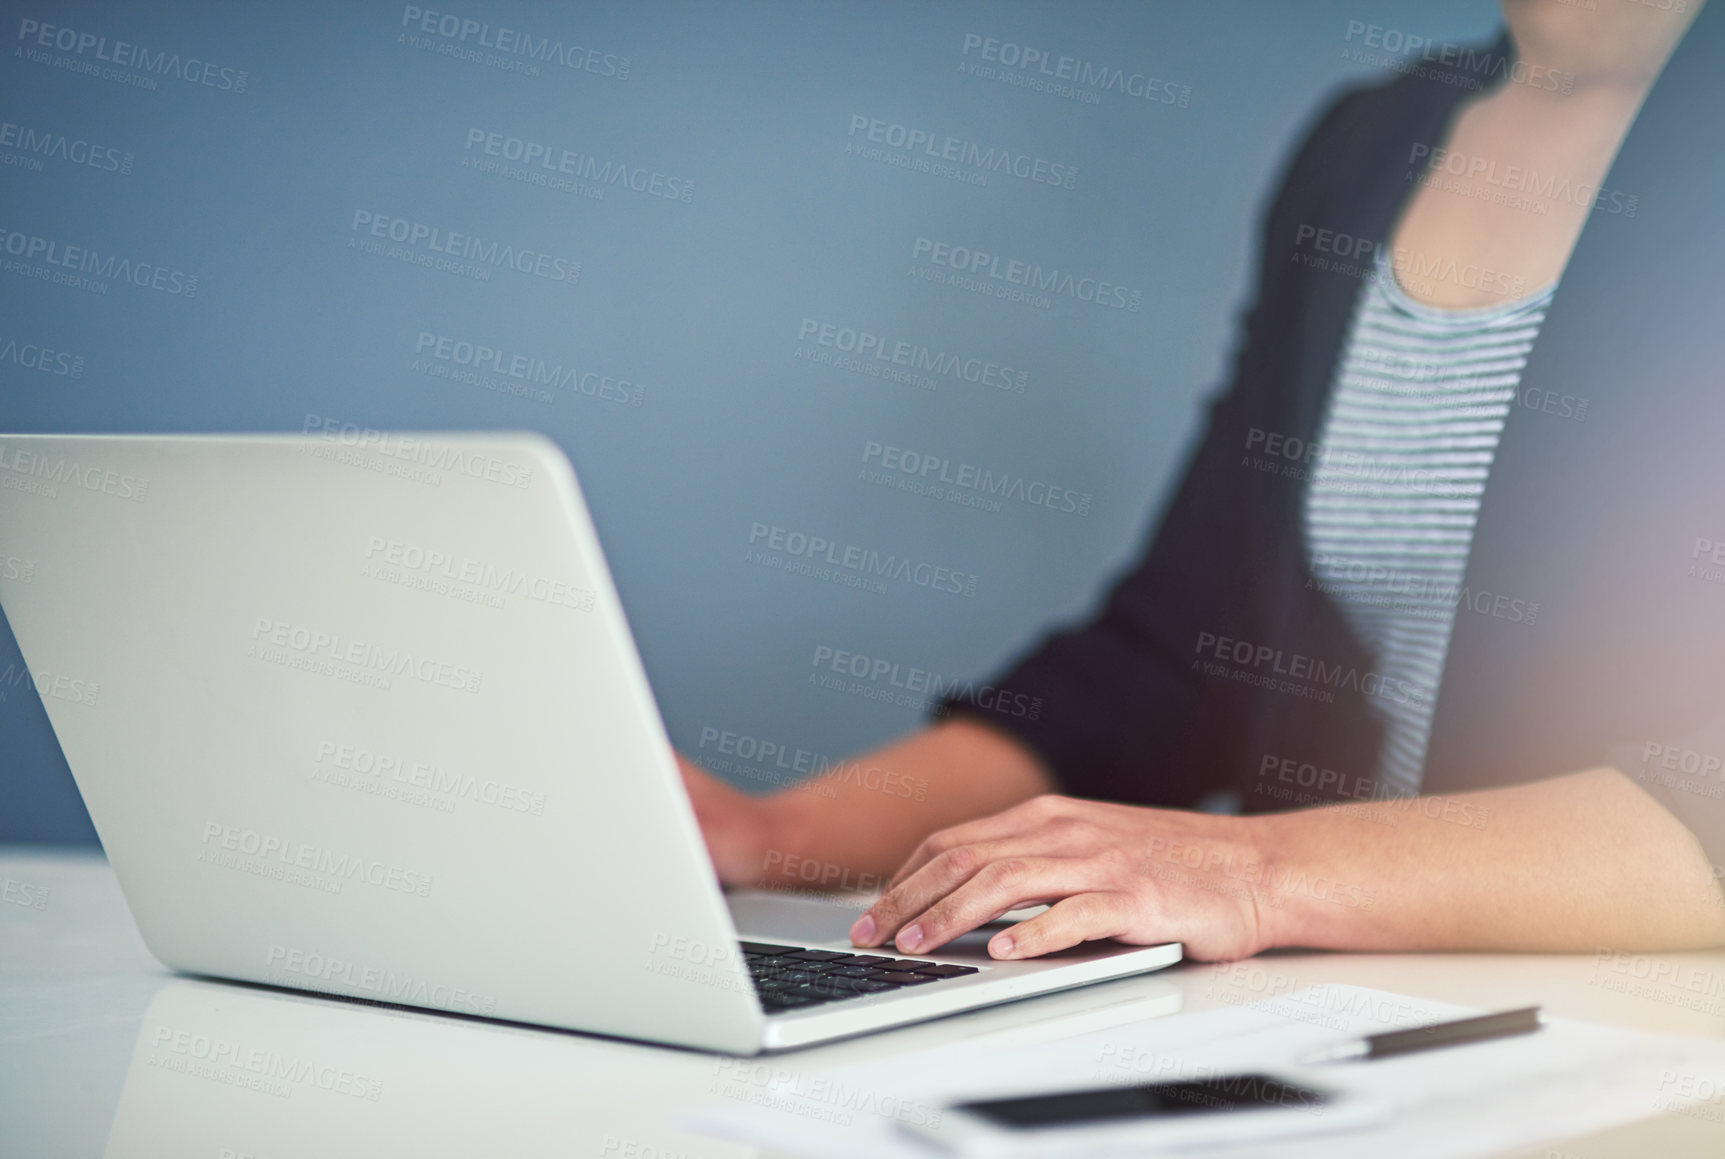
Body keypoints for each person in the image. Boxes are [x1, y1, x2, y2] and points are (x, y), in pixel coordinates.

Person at [679, 0, 1725, 964]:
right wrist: (785, 837)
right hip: (1348, 1025)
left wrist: (1259, 873)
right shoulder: (1371, 144)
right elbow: (1191, 647)